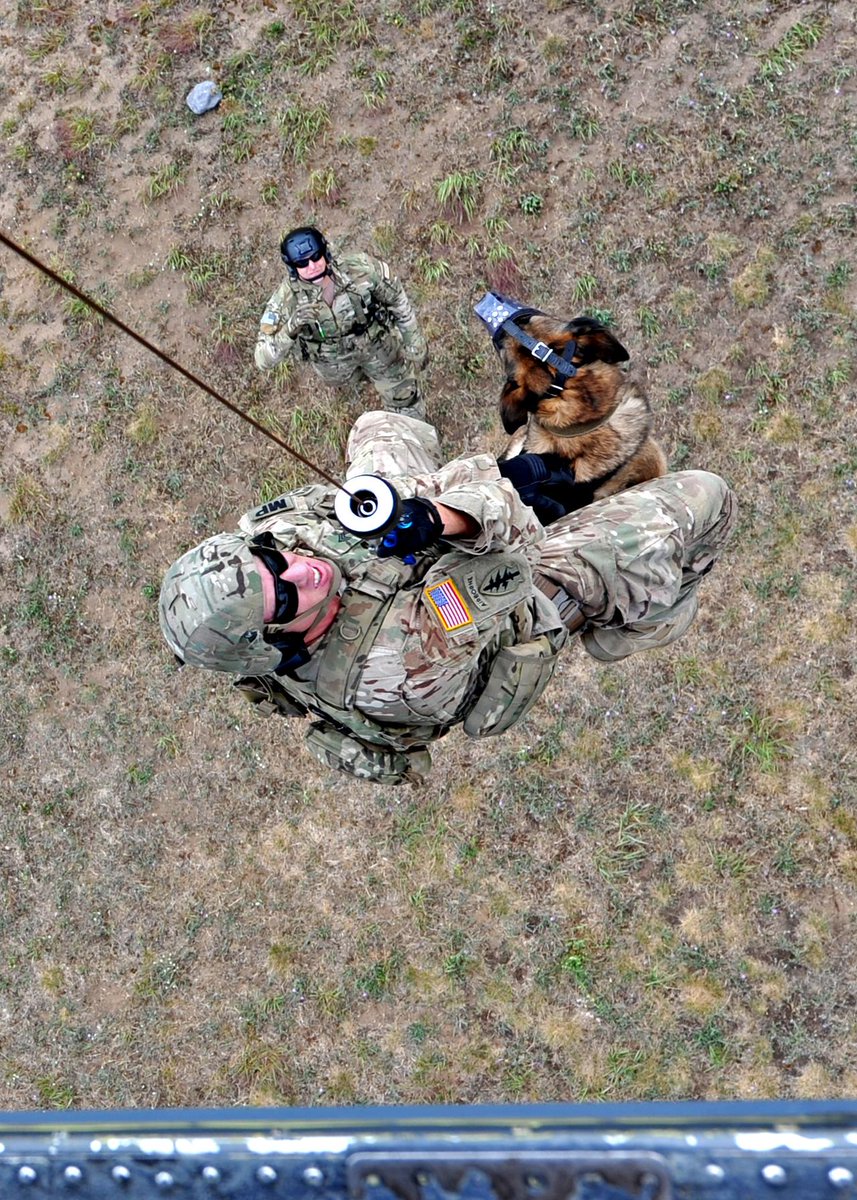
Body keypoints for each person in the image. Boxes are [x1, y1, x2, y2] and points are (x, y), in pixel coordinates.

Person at [159, 412, 737, 785]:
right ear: (273, 647)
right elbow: (515, 544)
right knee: (702, 499)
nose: (303, 572)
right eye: (284, 603)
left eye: (272, 561)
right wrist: (441, 514)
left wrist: (417, 511)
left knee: (379, 428)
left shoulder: (274, 536)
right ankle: (635, 623)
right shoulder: (403, 661)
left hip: (425, 571)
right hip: (511, 604)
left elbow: (317, 523)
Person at [254, 226, 429, 418]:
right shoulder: (285, 300)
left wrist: (414, 340)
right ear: (292, 267)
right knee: (347, 380)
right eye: (302, 263)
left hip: (377, 346)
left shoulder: (360, 269)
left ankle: (410, 433)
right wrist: (289, 330)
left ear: (324, 252)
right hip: (333, 363)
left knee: (404, 396)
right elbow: (262, 360)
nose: (312, 266)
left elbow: (397, 300)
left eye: (316, 256)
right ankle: (360, 379)